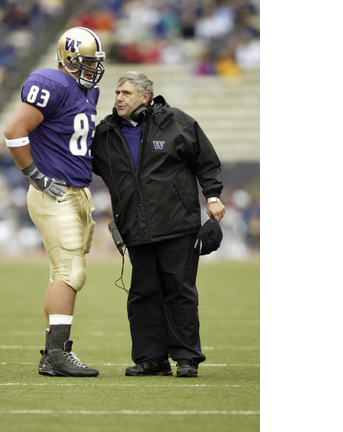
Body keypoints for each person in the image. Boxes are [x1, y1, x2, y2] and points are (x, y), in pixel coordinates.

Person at [92, 71, 226, 378]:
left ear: (145, 97)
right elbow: (82, 162)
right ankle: (151, 358)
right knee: (142, 294)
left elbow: (206, 160)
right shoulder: (106, 132)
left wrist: (214, 196)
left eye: (126, 93)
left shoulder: (177, 122)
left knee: (179, 292)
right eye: (116, 93)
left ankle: (187, 358)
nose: (119, 99)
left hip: (177, 224)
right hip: (135, 228)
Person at [3, 27, 106, 377]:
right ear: (69, 59)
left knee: (61, 272)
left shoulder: (85, 92)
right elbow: (14, 129)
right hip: (54, 189)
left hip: (77, 189)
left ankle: (52, 353)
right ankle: (59, 354)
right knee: (71, 272)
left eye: (95, 63)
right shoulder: (53, 82)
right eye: (87, 62)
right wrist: (35, 174)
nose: (92, 69)